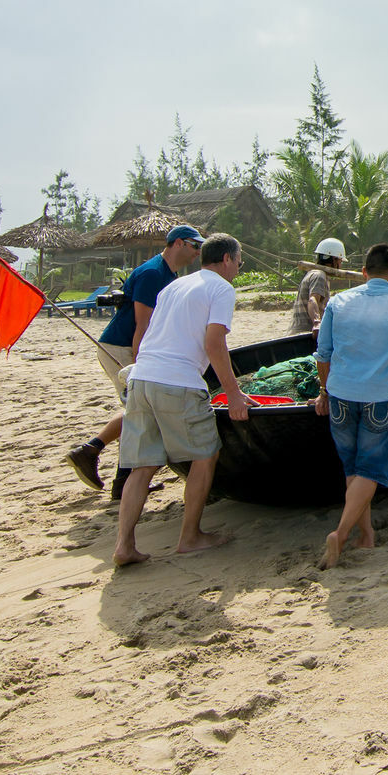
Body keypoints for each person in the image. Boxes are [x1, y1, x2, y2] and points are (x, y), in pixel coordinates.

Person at [113, 234, 251, 565]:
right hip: (178, 381)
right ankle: (190, 536)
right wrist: (233, 395)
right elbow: (214, 343)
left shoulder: (175, 286)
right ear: (228, 259)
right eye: (239, 263)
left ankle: (124, 546)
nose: (238, 269)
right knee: (206, 454)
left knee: (142, 466)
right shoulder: (221, 288)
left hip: (142, 378)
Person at [65, 225, 204, 494]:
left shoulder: (167, 272)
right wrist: (141, 363)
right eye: (194, 246)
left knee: (138, 411)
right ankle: (93, 452)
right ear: (178, 244)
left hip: (129, 345)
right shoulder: (153, 273)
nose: (198, 252)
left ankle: (115, 473)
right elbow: (144, 324)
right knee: (138, 411)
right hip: (122, 347)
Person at [312, 242, 388, 569]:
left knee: (354, 469)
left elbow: (323, 353)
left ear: (363, 272)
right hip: (380, 397)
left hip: (341, 395)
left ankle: (367, 534)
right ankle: (342, 534)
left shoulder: (340, 301)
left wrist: (324, 391)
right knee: (369, 470)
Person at [290, 237, 346, 334]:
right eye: (340, 261)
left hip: (301, 332)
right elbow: (313, 300)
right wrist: (317, 323)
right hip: (306, 332)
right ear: (334, 259)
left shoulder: (314, 274)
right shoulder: (319, 276)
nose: (340, 265)